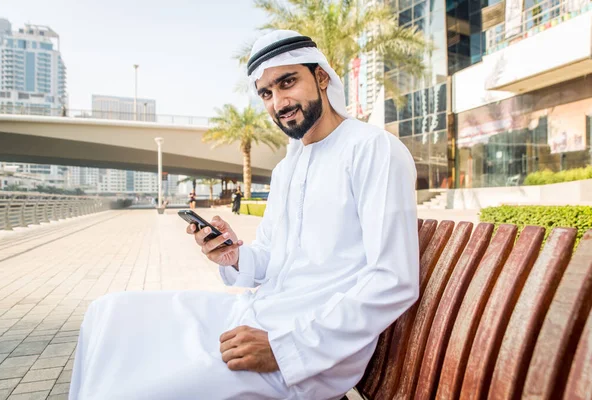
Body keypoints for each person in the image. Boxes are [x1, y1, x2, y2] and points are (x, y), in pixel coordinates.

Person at [69, 30, 419, 400]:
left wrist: (285, 349)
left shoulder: (372, 148)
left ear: (321, 77)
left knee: (134, 390)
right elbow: (272, 259)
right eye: (266, 93)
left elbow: (392, 278)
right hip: (258, 316)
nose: (278, 102)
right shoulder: (288, 168)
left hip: (307, 354)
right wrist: (233, 256)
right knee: (108, 315)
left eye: (287, 82)